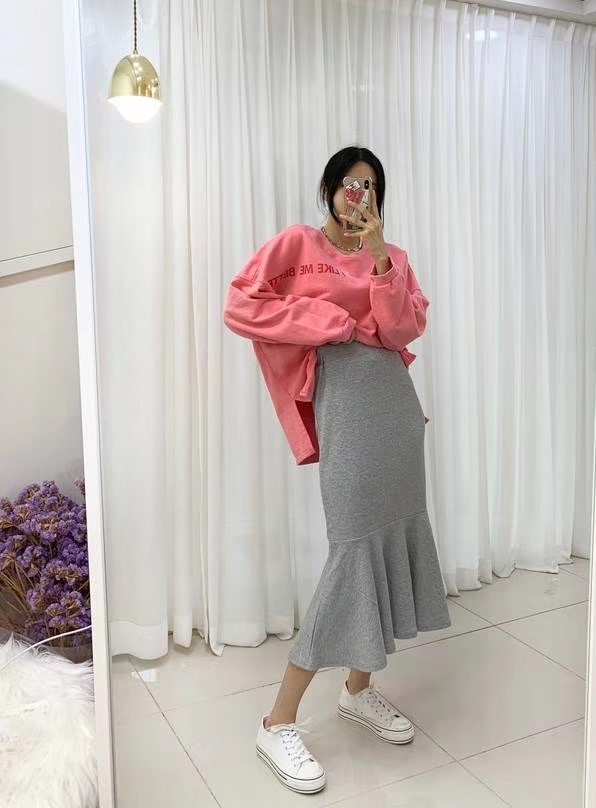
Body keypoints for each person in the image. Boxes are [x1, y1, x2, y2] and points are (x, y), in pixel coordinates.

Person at [223, 146, 451, 795]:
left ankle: (357, 688)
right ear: (329, 189)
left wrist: (378, 259)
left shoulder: (393, 256)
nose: (360, 195)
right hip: (344, 406)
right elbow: (241, 305)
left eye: (370, 186)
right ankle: (277, 721)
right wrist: (326, 320)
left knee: (386, 539)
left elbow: (402, 329)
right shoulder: (296, 246)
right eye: (350, 184)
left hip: (395, 411)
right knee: (352, 550)